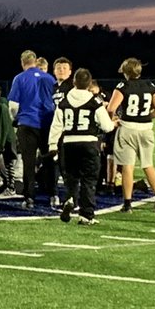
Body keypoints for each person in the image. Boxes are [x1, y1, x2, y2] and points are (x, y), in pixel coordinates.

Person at [49, 68, 115, 226]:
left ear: (74, 82)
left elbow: (56, 125)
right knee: (89, 180)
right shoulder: (94, 102)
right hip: (89, 143)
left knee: (71, 177)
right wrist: (112, 124)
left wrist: (52, 145)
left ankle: (70, 199)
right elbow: (107, 127)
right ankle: (86, 215)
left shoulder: (64, 102)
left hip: (69, 144)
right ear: (89, 83)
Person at [106, 57, 155, 213]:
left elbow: (111, 108)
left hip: (127, 129)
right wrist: (146, 117)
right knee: (148, 165)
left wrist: (112, 120)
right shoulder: (150, 85)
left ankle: (127, 204)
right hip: (146, 129)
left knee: (127, 166)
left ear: (125, 71)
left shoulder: (123, 86)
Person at [8, 50, 58, 209]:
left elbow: (13, 106)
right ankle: (53, 194)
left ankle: (29, 197)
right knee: (49, 160)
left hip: (27, 123)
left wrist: (16, 119)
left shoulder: (20, 78)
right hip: (47, 123)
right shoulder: (49, 78)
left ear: (22, 62)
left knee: (28, 162)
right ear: (35, 61)